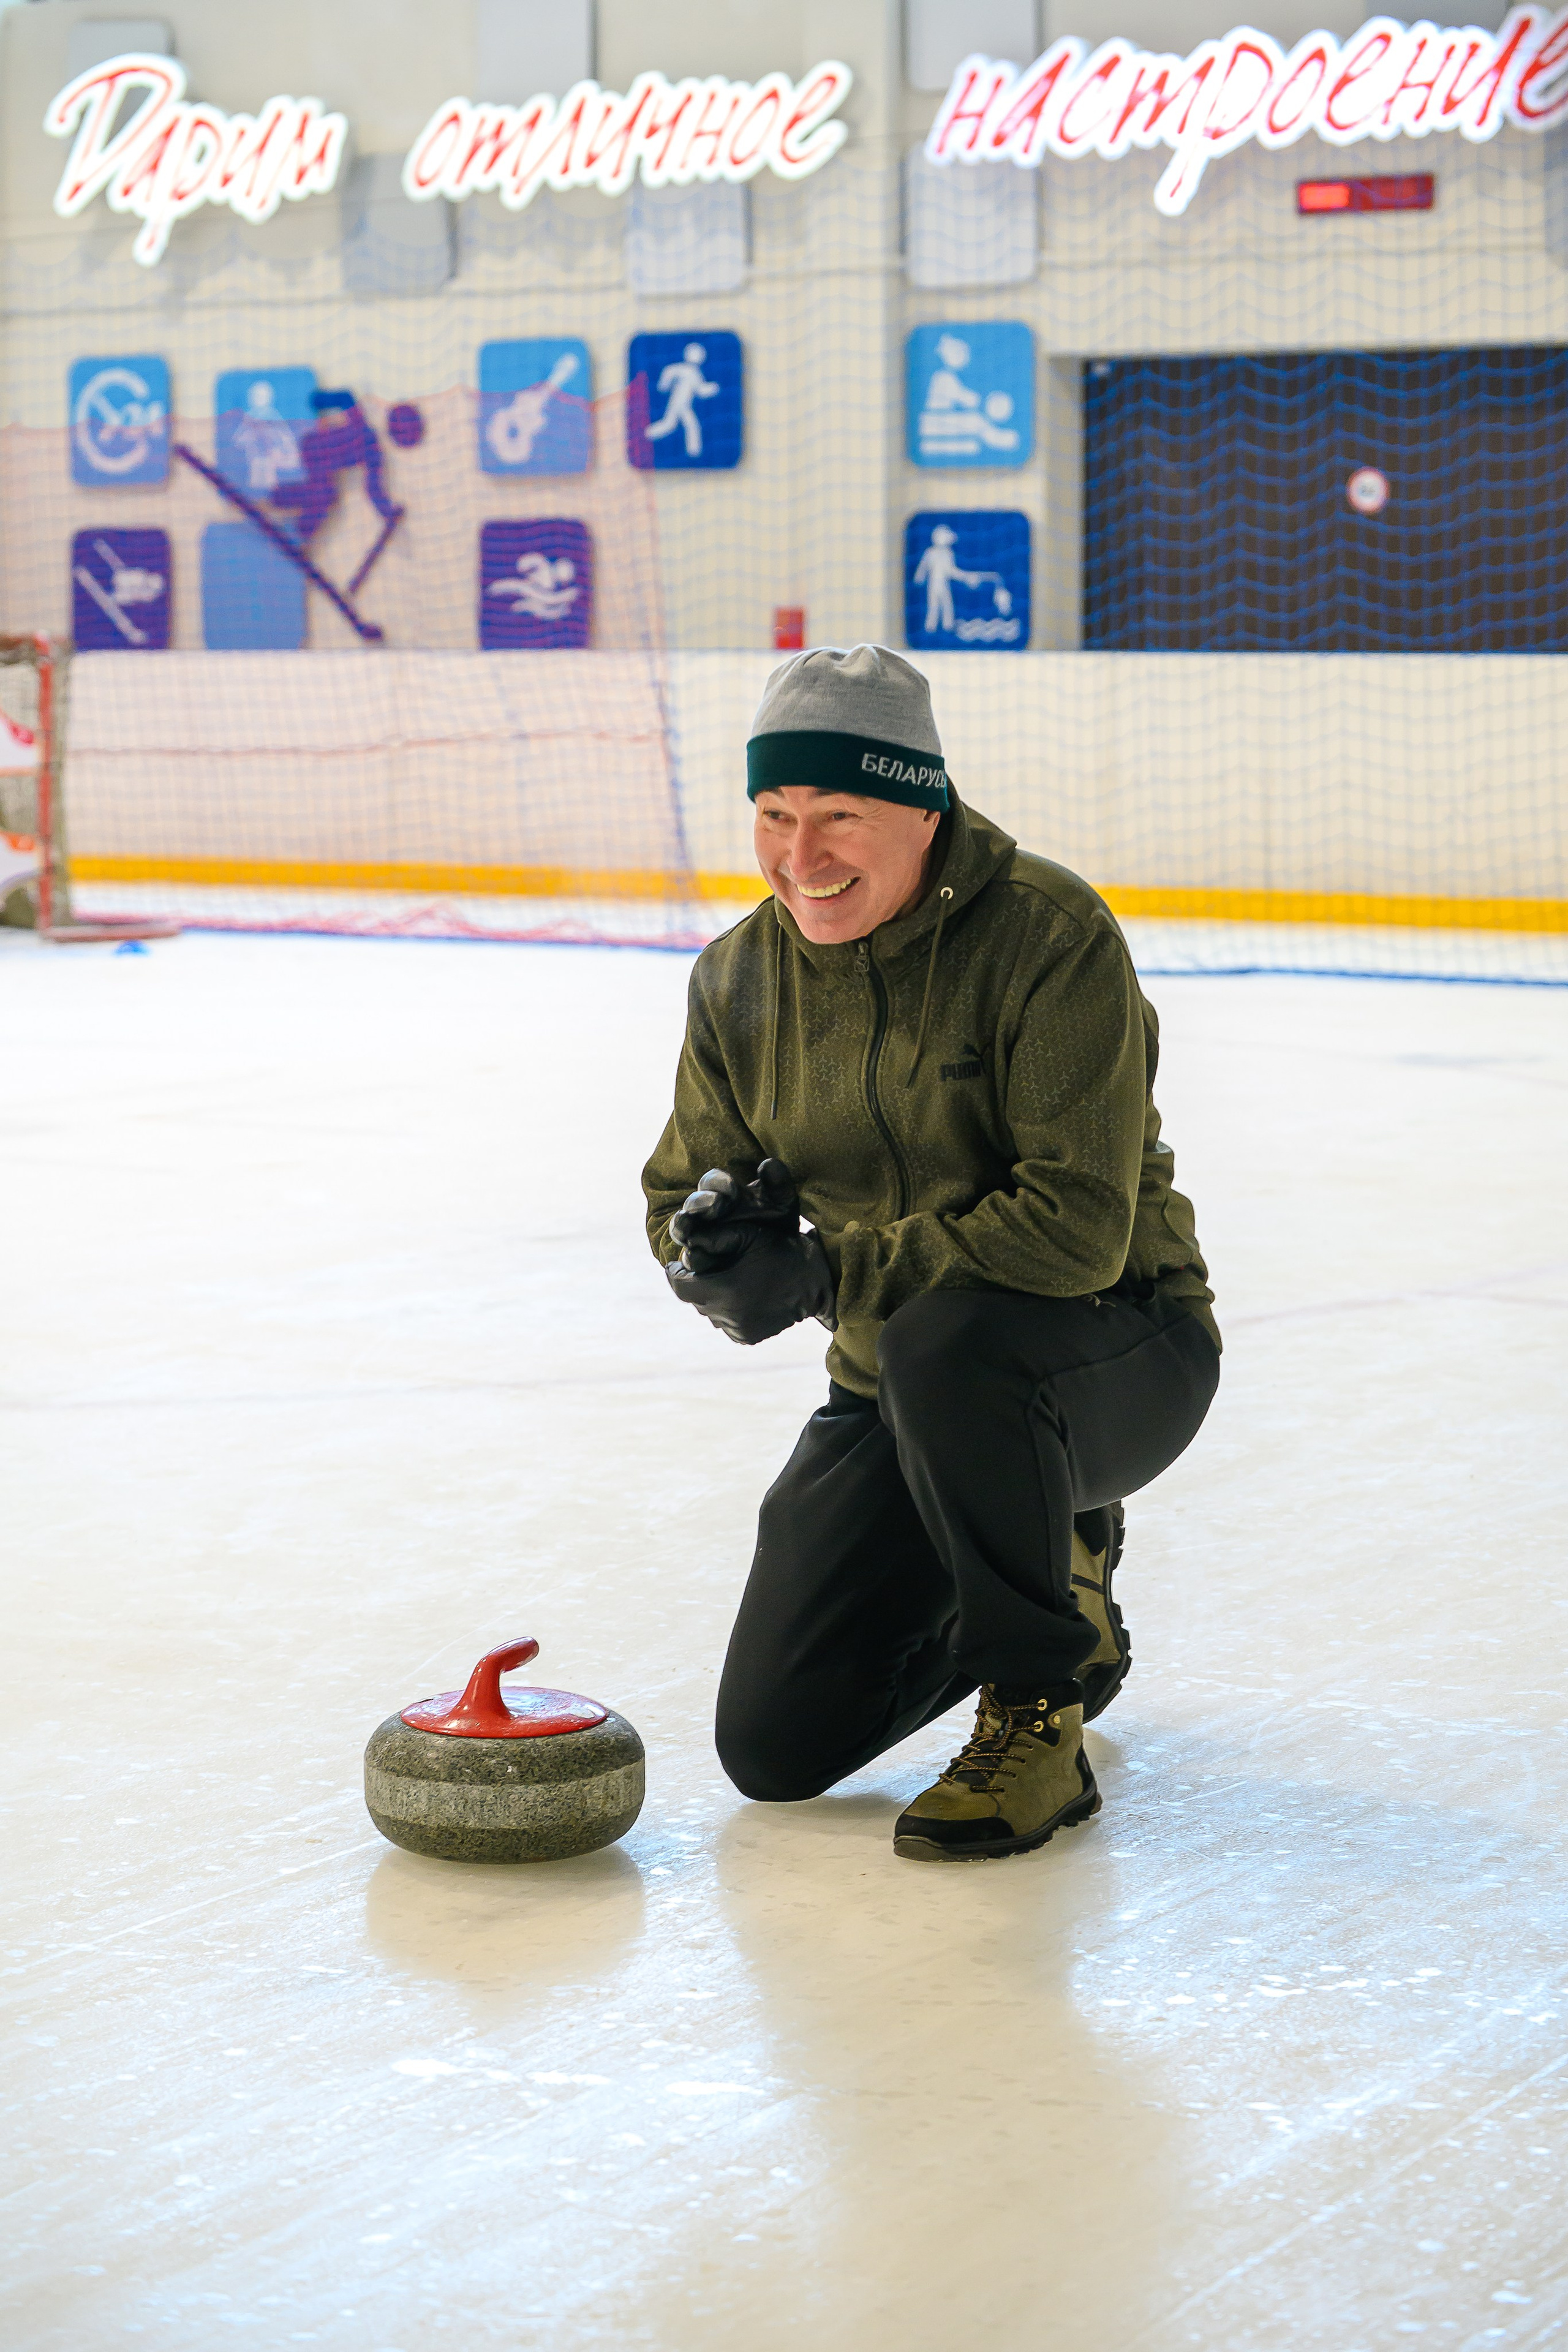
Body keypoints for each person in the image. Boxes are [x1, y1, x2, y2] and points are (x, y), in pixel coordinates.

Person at [643, 645, 1219, 1864]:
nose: (801, 858)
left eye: (839, 815)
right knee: (777, 1747)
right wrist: (709, 1248)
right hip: (896, 1384)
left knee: (946, 1336)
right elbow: (674, 1182)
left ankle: (1035, 1712)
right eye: (774, 815)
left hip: (1115, 1350)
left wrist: (830, 1273)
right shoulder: (739, 982)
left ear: (922, 806)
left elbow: (1072, 1231)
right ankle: (1060, 1598)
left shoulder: (1048, 940)